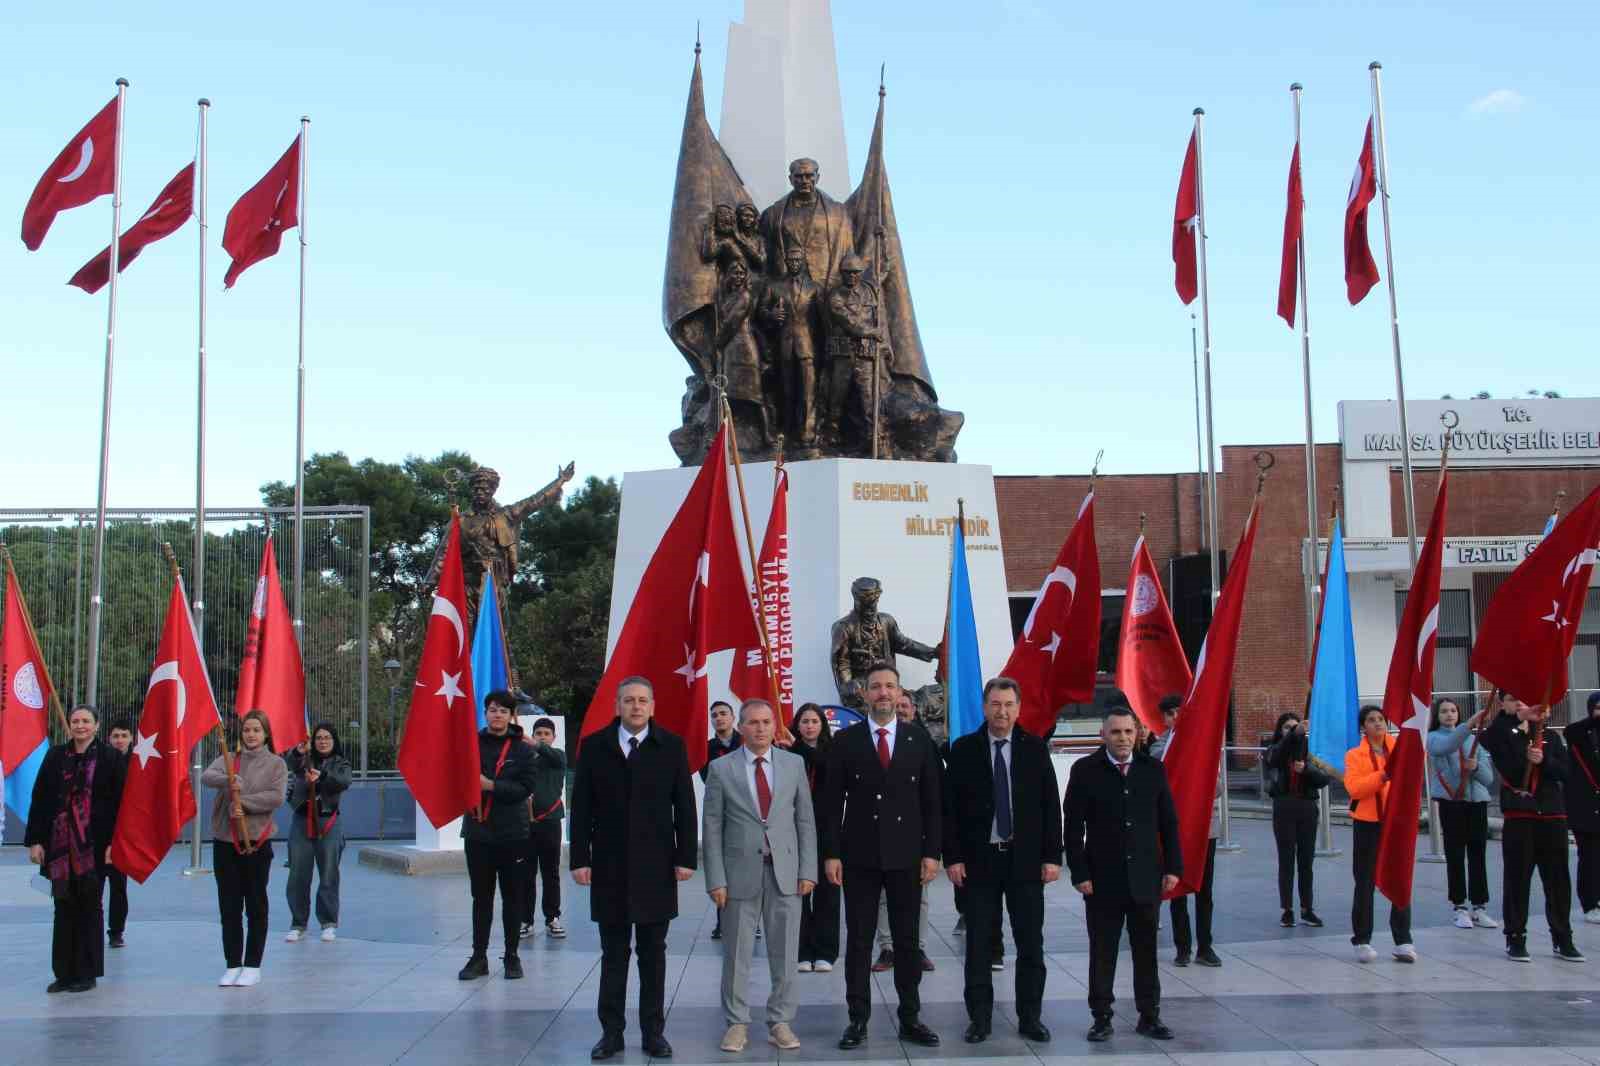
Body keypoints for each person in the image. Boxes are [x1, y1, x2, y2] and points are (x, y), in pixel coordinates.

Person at [570, 677, 697, 1061]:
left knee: (653, 954)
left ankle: (653, 1032)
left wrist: (686, 857)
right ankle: (611, 1033)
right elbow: (581, 810)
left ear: (653, 706)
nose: (636, 706)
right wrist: (580, 858)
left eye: (643, 700)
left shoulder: (671, 747)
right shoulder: (595, 747)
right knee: (613, 954)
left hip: (656, 866)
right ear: (618, 705)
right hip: (609, 866)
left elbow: (685, 808)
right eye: (629, 700)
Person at [820, 662, 944, 1050]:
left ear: (899, 691)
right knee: (858, 940)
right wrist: (831, 854)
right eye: (876, 687)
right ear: (865, 693)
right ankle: (858, 1018)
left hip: (906, 856)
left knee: (907, 942)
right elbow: (829, 804)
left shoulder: (917, 740)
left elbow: (932, 803)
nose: (883, 694)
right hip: (858, 856)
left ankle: (910, 1017)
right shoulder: (846, 742)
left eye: (890, 686)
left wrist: (931, 853)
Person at [943, 677, 1061, 1045]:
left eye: (1009, 704)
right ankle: (979, 1019)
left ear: (1019, 708)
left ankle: (1031, 1017)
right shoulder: (963, 750)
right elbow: (950, 811)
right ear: (985, 707)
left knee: (1030, 944)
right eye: (995, 704)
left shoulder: (1034, 748)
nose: (1002, 711)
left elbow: (1050, 806)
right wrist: (954, 857)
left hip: (1025, 863)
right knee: (978, 944)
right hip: (979, 864)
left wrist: (1052, 857)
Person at [704, 699, 817, 1052]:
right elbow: (712, 827)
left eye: (766, 722)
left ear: (775, 725)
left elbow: (804, 821)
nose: (760, 728)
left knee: (784, 952)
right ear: (740, 727)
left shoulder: (793, 764)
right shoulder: (722, 769)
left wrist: (807, 869)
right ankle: (737, 1023)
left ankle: (780, 1021)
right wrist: (716, 879)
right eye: (752, 722)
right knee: (736, 954)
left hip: (785, 872)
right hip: (739, 874)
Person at [1064, 705, 1181, 1043]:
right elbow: (1073, 827)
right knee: (1103, 950)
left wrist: (1173, 866)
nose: (1123, 738)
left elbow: (1168, 822)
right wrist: (1079, 872)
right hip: (1102, 880)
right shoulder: (1085, 770)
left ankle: (1149, 1015)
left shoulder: (1153, 770)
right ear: (1103, 735)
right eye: (1115, 732)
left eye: (1129, 731)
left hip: (1146, 875)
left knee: (1146, 950)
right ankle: (1101, 1016)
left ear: (1138, 733)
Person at [25, 704, 126, 993]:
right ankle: (64, 973)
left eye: (86, 721)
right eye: (75, 721)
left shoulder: (111, 758)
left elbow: (121, 804)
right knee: (63, 907)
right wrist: (35, 841)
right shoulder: (56, 756)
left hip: (94, 846)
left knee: (90, 907)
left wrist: (114, 844)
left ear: (96, 726)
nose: (80, 726)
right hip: (59, 847)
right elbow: (40, 799)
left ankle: (86, 972)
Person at [1477, 692, 1584, 962]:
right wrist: (1516, 719)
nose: (1521, 704)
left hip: (1551, 815)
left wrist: (1543, 761)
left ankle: (1562, 938)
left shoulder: (1551, 738)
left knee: (1558, 881)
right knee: (1518, 880)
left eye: (1524, 700)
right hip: (1520, 816)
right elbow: (1491, 741)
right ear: (1503, 704)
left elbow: (1565, 772)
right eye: (1513, 700)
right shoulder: (1503, 732)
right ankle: (1515, 937)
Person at [201, 709, 288, 988]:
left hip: (256, 843)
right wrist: (229, 780)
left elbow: (276, 797)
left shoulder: (276, 764)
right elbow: (207, 776)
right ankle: (232, 963)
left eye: (256, 730)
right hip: (225, 842)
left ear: (266, 734)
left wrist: (245, 802)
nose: (251, 735)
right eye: (247, 730)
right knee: (229, 905)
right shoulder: (230, 759)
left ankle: (252, 964)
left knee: (255, 904)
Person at [458, 691, 538, 981]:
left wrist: (490, 786)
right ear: (485, 713)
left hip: (513, 833)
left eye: (503, 711)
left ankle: (512, 956)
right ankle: (479, 957)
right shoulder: (472, 745)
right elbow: (459, 780)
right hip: (478, 832)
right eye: (492, 710)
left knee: (512, 897)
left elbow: (525, 789)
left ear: (511, 715)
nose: (497, 715)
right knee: (481, 897)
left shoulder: (523, 750)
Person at [1147, 695, 1220, 968]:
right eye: (1169, 714)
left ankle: (1206, 946)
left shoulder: (1206, 745)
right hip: (1174, 829)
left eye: (1179, 712)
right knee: (1176, 887)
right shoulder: (1159, 748)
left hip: (1205, 830)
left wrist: (1199, 779)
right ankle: (1182, 946)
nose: (1174, 718)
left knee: (1205, 890)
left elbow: (1219, 786)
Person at [1343, 704, 1415, 964]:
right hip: (1368, 823)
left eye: (1381, 719)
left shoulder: (1400, 750)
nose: (1377, 723)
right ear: (1363, 726)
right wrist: (1383, 775)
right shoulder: (1354, 755)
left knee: (1400, 878)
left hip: (1395, 822)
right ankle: (1362, 939)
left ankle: (1403, 940)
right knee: (1364, 882)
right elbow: (1355, 788)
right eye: (1371, 720)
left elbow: (1411, 778)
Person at [874, 690, 934, 973]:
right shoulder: (878, 739)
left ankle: (917, 948)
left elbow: (932, 793)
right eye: (896, 706)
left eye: (905, 706)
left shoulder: (922, 741)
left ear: (913, 710)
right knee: (883, 898)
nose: (901, 710)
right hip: (879, 835)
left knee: (918, 898)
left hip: (913, 835)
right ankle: (887, 948)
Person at [1425, 698, 1497, 930]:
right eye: (1444, 711)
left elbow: (1488, 779)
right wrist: (1468, 725)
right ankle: (1459, 906)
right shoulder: (1435, 737)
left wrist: (1475, 767)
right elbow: (1446, 747)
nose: (1449, 715)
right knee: (1455, 855)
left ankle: (1479, 905)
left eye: (1453, 711)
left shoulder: (1474, 740)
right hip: (1452, 802)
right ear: (1437, 716)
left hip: (1477, 803)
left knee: (1478, 853)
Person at [282, 721, 352, 944]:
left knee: (329, 874)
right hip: (302, 823)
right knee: (298, 875)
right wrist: (298, 751)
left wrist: (321, 778)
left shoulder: (340, 762)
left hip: (328, 823)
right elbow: (287, 764)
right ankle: (298, 923)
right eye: (319, 738)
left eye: (327, 738)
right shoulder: (303, 759)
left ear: (334, 741)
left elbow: (343, 781)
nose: (322, 741)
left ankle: (328, 922)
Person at [1263, 712, 1329, 927]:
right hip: (1284, 806)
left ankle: (1307, 907)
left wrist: (1307, 769)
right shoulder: (1275, 750)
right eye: (1286, 727)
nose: (1291, 730)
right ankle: (1287, 908)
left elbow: (1323, 779)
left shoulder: (1310, 751)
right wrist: (1292, 735)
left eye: (1295, 726)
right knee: (1286, 859)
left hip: (1307, 807)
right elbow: (1275, 758)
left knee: (1306, 860)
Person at [787, 702, 839, 972]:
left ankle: (825, 952)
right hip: (795, 830)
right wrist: (794, 747)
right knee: (799, 892)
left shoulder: (832, 751)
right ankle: (801, 951)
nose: (809, 726)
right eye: (804, 721)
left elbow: (826, 768)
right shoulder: (788, 752)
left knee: (828, 892)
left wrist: (798, 747)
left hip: (828, 829)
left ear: (822, 725)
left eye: (814, 721)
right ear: (797, 724)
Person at [520, 716, 568, 941]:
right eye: (538, 733)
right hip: (526, 825)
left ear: (553, 738)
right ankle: (526, 920)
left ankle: (552, 918)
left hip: (550, 823)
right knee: (526, 874)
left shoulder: (558, 756)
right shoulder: (525, 759)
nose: (542, 737)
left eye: (546, 734)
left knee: (551, 873)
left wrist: (533, 744)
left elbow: (549, 753)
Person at [702, 700, 741, 940]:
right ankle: (722, 922)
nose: (719, 718)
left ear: (733, 717)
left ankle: (751, 922)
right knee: (722, 869)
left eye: (723, 714)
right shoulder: (706, 747)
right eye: (714, 715)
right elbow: (707, 774)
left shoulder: (745, 742)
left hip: (748, 813)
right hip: (721, 811)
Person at [1565, 692, 1600, 925]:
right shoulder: (1580, 735)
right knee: (1589, 856)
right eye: (1597, 708)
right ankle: (1590, 902)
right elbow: (1571, 731)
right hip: (1585, 807)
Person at [102, 717, 134, 949]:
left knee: (118, 886)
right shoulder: (99, 761)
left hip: (122, 834)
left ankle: (116, 931)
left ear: (131, 738)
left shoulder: (139, 763)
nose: (120, 740)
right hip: (99, 832)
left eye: (124, 735)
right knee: (93, 885)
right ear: (108, 738)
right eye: (116, 736)